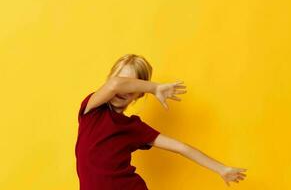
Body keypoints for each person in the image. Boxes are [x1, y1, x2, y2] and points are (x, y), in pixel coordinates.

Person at [75, 54, 247, 190]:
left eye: (134, 85)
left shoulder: (134, 127)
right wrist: (154, 87)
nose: (125, 88)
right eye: (125, 82)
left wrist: (221, 169)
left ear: (139, 93)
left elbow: (181, 148)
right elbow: (115, 85)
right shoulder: (92, 110)